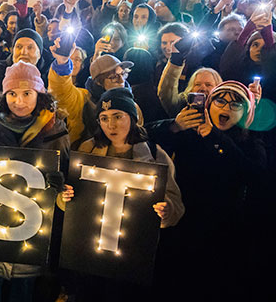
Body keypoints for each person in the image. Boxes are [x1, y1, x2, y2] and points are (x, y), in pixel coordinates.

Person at [146, 81, 265, 301]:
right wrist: (173, 126)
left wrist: (215, 137)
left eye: (235, 104)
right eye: (220, 101)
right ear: (209, 104)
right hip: (184, 223)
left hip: (222, 230)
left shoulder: (251, 142)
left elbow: (253, 173)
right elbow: (145, 139)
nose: (226, 107)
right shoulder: (191, 133)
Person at [0, 60, 70, 302]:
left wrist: (58, 184)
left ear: (39, 95)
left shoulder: (55, 129)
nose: (19, 101)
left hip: (31, 233)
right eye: (12, 93)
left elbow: (66, 175)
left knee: (22, 293)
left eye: (27, 93)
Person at [70, 88, 184, 301]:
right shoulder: (87, 150)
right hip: (90, 250)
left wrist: (166, 211)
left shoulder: (155, 154)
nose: (111, 125)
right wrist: (65, 197)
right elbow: (71, 201)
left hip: (132, 252)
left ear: (132, 118)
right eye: (104, 118)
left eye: (118, 116)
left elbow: (175, 203)